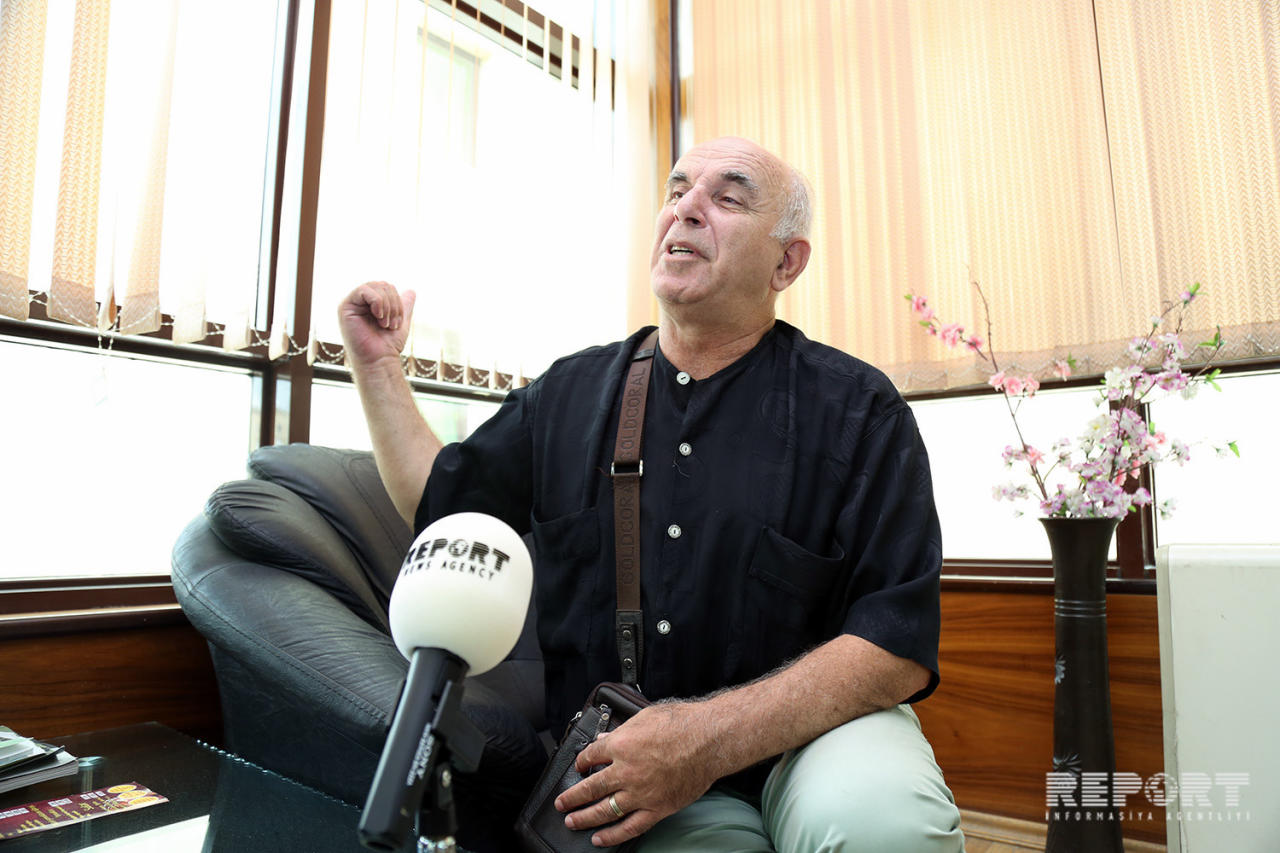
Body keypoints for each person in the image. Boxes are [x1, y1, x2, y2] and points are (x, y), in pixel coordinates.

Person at [339, 136, 965, 852]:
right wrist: (377, 366)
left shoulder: (860, 409)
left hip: (820, 740)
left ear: (786, 263)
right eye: (677, 190)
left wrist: (705, 738)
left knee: (884, 824)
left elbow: (894, 643)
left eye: (727, 198)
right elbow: (443, 506)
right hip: (635, 763)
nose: (686, 208)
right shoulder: (568, 395)